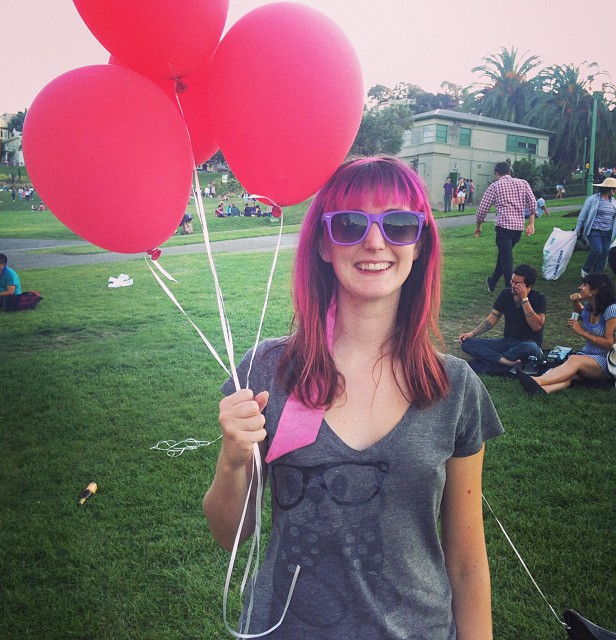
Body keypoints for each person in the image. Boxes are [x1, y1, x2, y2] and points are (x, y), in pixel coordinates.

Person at [203, 156, 504, 639]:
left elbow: (468, 561)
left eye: (399, 224)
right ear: (323, 243)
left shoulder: (455, 386)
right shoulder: (269, 371)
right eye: (349, 223)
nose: (374, 242)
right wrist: (232, 461)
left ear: (420, 242)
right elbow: (229, 536)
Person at [518, 273, 616, 395]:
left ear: (596, 289)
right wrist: (576, 304)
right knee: (568, 374)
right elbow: (584, 315)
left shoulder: (611, 310)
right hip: (587, 355)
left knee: (574, 360)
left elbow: (609, 343)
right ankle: (544, 390)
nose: (580, 287)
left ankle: (536, 380)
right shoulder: (589, 306)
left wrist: (581, 331)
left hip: (606, 360)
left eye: (585, 285)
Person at [459, 264, 546, 369]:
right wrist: (472, 333)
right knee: (467, 343)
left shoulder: (539, 298)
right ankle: (504, 361)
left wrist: (524, 299)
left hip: (527, 344)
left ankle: (493, 359)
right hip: (507, 342)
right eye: (512, 281)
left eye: (517, 283)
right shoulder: (506, 294)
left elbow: (536, 326)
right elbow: (492, 319)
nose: (512, 285)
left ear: (529, 285)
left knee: (530, 348)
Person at [475, 161, 537, 292]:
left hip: (503, 228)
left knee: (507, 259)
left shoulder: (495, 186)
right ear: (510, 172)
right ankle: (492, 283)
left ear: (496, 173)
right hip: (517, 229)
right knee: (503, 257)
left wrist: (479, 226)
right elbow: (533, 204)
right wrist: (531, 223)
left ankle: (511, 290)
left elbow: (482, 210)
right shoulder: (523, 183)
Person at [573, 177, 616, 276]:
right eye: (614, 188)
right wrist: (577, 229)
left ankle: (598, 274)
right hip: (594, 231)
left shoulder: (613, 201)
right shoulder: (593, 199)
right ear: (609, 189)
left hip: (608, 232)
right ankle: (586, 269)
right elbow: (583, 215)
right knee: (597, 250)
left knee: (604, 253)